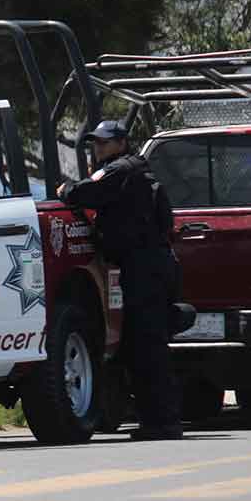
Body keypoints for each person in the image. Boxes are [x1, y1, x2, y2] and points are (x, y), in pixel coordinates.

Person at [56, 120, 183, 441]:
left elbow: (87, 192)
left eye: (103, 142)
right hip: (148, 265)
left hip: (144, 267)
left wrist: (66, 190)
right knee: (146, 345)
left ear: (121, 142)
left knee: (146, 346)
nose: (97, 148)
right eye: (95, 143)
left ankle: (162, 423)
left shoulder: (120, 170)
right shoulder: (133, 169)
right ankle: (158, 420)